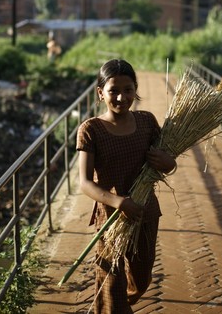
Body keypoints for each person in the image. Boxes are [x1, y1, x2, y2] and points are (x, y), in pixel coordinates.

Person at [77, 59, 176, 313]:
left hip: (144, 214)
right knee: (109, 285)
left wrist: (169, 163)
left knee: (141, 281)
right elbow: (85, 182)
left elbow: (165, 163)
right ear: (101, 93)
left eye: (128, 89)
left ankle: (124, 300)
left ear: (135, 89)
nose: (121, 97)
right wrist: (119, 202)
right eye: (113, 91)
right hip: (110, 218)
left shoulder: (146, 122)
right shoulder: (91, 130)